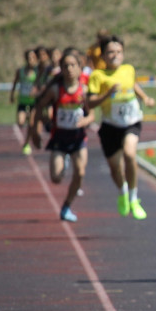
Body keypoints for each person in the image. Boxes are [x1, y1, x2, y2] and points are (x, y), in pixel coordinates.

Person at [86, 35, 156, 220]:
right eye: (110, 52)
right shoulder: (97, 75)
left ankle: (134, 198)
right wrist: (107, 94)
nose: (115, 55)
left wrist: (145, 97)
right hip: (110, 126)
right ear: (103, 55)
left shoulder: (128, 69)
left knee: (130, 154)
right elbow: (90, 103)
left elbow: (133, 84)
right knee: (115, 168)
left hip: (131, 122)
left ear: (123, 54)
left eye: (118, 52)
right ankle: (123, 192)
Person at [33, 47, 94, 222]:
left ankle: (67, 206)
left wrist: (85, 121)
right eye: (65, 66)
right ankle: (64, 161)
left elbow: (92, 115)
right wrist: (37, 129)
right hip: (59, 138)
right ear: (61, 68)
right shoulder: (55, 89)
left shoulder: (84, 89)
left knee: (80, 173)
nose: (69, 69)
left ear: (79, 67)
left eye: (73, 65)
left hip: (78, 139)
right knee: (56, 178)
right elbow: (40, 106)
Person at [9, 48, 38, 152]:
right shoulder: (20, 71)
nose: (31, 59)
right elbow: (15, 83)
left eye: (33, 57)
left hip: (33, 102)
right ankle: (27, 117)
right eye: (29, 57)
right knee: (20, 122)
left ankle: (26, 144)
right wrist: (12, 95)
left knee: (31, 124)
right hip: (22, 101)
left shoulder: (38, 71)